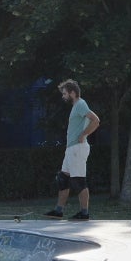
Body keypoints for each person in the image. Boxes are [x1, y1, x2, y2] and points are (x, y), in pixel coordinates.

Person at [46, 79, 99, 221]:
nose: (63, 96)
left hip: (78, 148)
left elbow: (96, 120)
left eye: (65, 93)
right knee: (63, 178)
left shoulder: (80, 104)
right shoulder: (77, 105)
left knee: (78, 181)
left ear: (73, 93)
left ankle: (84, 213)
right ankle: (58, 211)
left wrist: (83, 134)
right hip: (71, 149)